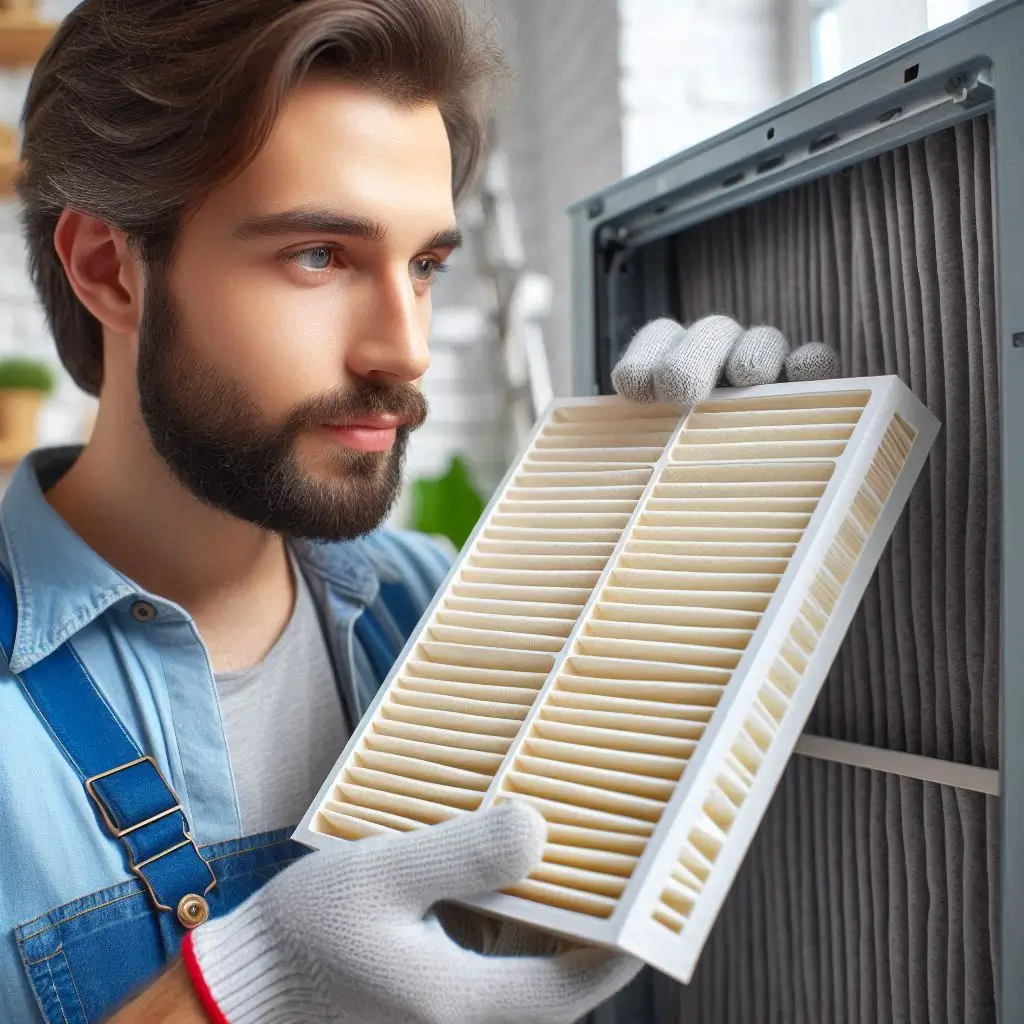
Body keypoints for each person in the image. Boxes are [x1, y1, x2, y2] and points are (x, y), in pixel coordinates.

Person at [0, 1, 839, 1021]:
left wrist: (757, 508)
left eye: (425, 266)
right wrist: (248, 982)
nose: (404, 350)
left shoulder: (447, 606)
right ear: (107, 268)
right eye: (318, 254)